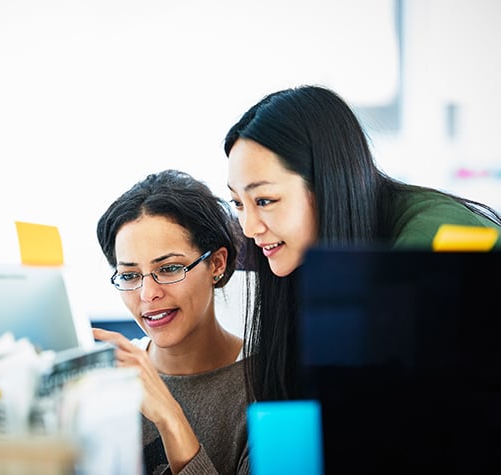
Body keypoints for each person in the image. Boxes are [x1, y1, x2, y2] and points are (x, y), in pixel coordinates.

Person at [223, 84, 501, 402]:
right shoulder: (313, 251)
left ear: (328, 184)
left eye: (265, 200)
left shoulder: (433, 245)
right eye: (238, 203)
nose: (248, 227)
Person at [92, 169, 249, 475]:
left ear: (217, 263)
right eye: (129, 275)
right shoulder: (108, 380)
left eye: (169, 268)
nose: (148, 294)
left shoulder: (267, 387)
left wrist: (169, 418)